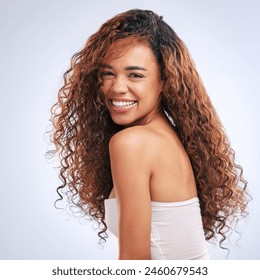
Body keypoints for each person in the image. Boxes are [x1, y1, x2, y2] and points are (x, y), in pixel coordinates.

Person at [47, 9, 250, 260]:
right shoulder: (168, 137)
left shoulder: (132, 143)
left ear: (165, 80)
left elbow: (135, 264)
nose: (117, 87)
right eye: (108, 73)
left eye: (135, 75)